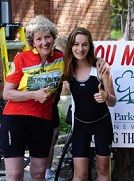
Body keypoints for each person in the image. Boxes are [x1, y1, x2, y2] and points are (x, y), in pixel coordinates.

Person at [0, 15, 63, 181]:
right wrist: (34, 94)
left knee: (38, 174)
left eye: (48, 37)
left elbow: (83, 61)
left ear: (53, 37)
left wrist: (98, 60)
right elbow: (7, 93)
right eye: (39, 39)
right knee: (14, 174)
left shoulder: (61, 59)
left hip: (42, 120)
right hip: (15, 119)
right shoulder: (22, 58)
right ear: (32, 42)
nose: (44, 42)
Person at [63, 27, 116, 181]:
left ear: (90, 46)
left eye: (85, 44)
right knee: (80, 174)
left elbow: (113, 101)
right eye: (76, 44)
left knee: (103, 171)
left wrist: (106, 96)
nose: (80, 49)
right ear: (71, 46)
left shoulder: (100, 68)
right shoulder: (67, 69)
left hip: (102, 124)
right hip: (80, 125)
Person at [45, 35, 68, 180]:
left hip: (53, 106)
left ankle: (48, 170)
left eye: (64, 54)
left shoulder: (64, 64)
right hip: (38, 106)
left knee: (53, 138)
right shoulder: (47, 61)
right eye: (58, 51)